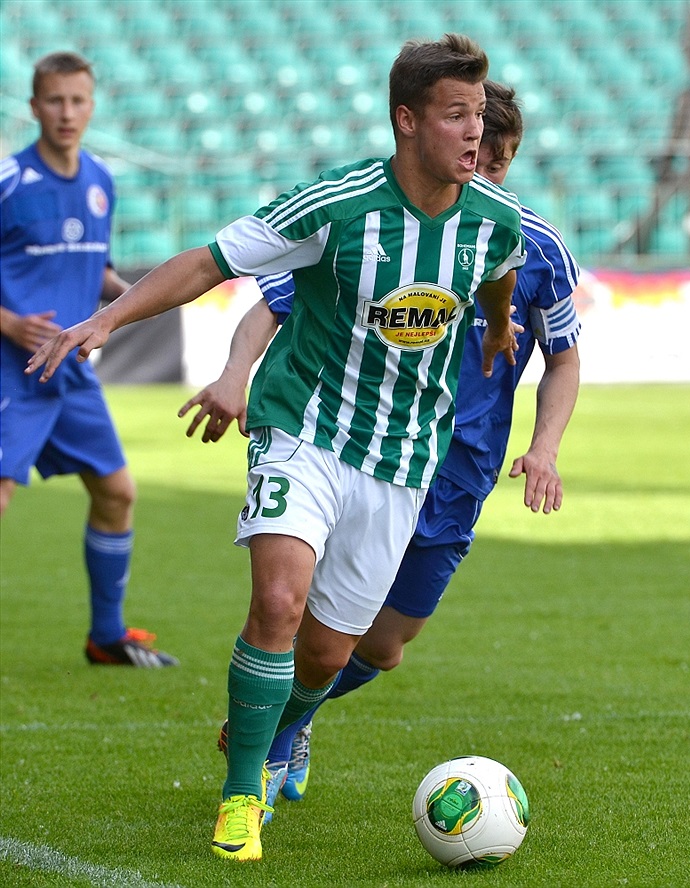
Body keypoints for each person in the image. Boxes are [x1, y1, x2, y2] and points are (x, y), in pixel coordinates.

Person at [27, 35, 526, 863]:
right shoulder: (336, 205)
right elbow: (207, 263)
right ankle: (240, 797)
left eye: (478, 114)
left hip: (402, 456)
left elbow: (500, 270)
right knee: (278, 604)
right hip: (305, 429)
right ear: (407, 120)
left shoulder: (494, 219)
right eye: (455, 115)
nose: (475, 132)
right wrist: (107, 318)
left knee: (328, 653)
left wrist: (502, 328)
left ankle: (275, 726)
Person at [192, 81, 581, 816]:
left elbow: (562, 355)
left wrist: (546, 447)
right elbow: (270, 303)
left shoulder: (527, 243)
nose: (481, 176)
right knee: (293, 607)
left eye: (497, 165)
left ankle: (289, 720)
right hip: (352, 439)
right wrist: (234, 375)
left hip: (459, 470)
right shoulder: (377, 222)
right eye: (473, 152)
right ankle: (266, 750)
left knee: (384, 646)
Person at [0, 51, 178, 668]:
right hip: (11, 372)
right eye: (54, 101)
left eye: (78, 101)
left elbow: (95, 270)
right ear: (34, 107)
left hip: (71, 374)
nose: (67, 113)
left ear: (92, 105)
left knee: (116, 492)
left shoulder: (100, 179)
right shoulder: (10, 184)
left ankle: (107, 635)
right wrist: (9, 321)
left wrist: (134, 301)